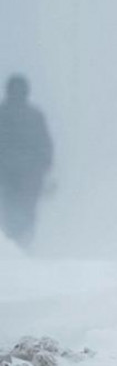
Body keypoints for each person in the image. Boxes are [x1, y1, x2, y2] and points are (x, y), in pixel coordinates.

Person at [0, 74, 54, 249]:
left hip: (6, 172)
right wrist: (45, 166)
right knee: (27, 207)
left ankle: (12, 240)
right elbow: (45, 145)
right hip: (29, 174)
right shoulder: (35, 116)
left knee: (9, 205)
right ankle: (23, 240)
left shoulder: (3, 113)